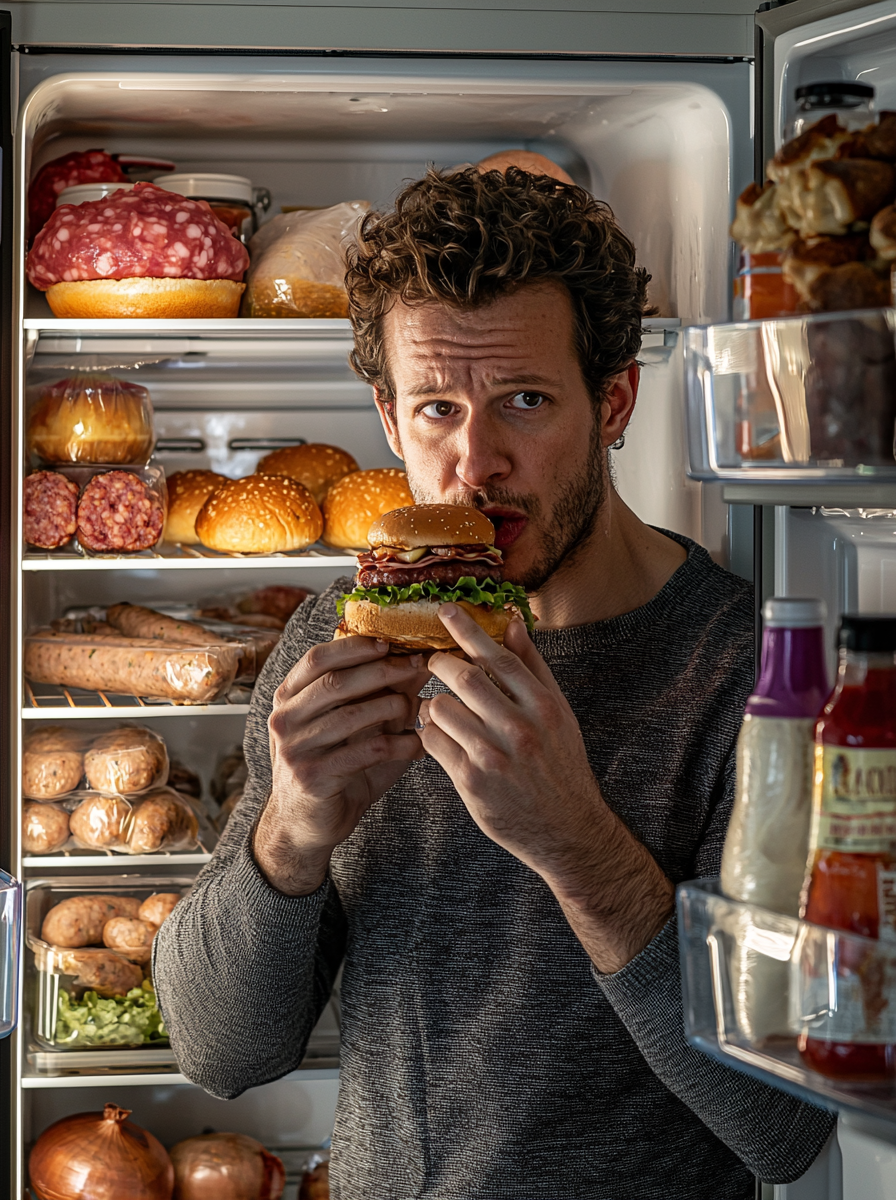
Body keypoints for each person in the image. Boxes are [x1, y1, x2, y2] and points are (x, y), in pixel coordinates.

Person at [154, 167, 835, 1199]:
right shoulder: (335, 646)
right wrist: (289, 832)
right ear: (388, 421)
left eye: (524, 400)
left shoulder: (746, 671)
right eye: (436, 408)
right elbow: (219, 1051)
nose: (475, 462)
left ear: (614, 401)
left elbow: (783, 1127)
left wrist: (578, 843)